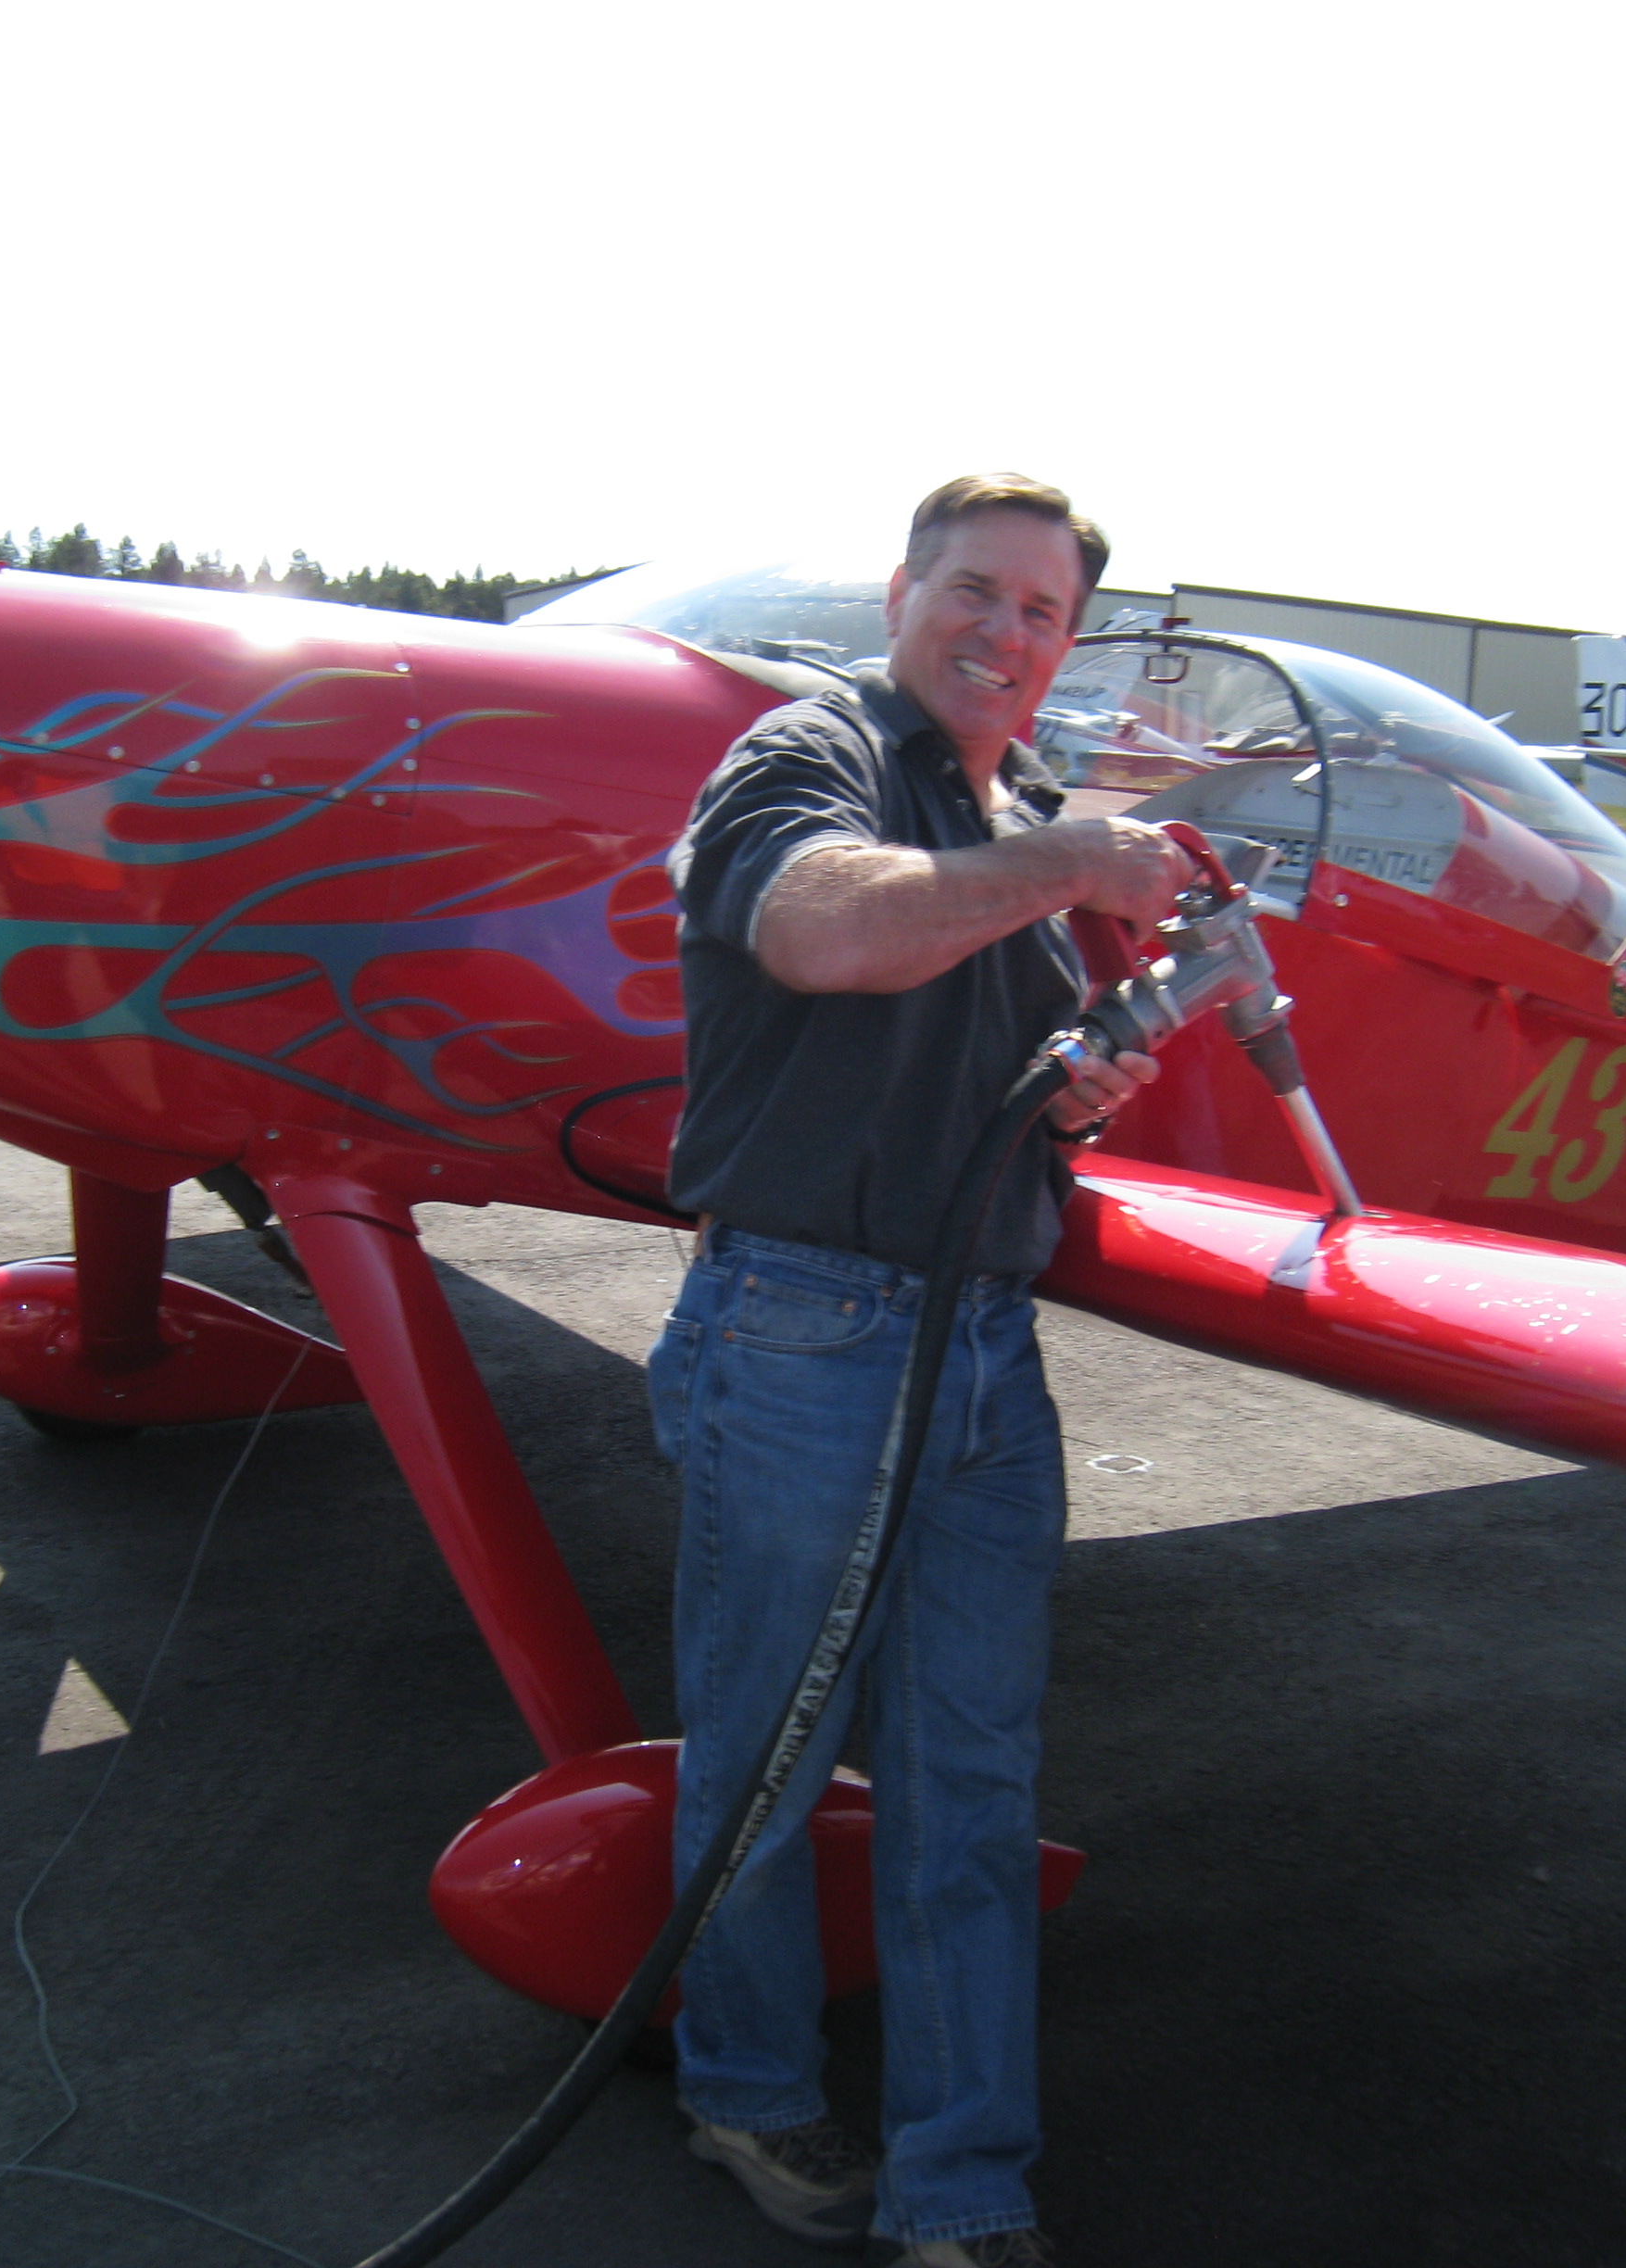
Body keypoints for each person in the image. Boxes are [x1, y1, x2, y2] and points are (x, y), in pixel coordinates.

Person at [648, 474, 1190, 2267]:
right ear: (903, 594)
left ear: (1065, 644)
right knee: (768, 1758)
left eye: (1042, 614)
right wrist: (1068, 862)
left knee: (974, 1781)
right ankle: (741, 2086)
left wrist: (1066, 1095)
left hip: (979, 1346)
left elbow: (957, 1044)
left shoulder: (1007, 811)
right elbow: (818, 928)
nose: (1004, 634)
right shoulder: (809, 757)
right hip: (801, 1325)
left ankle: (964, 2195)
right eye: (976, 593)